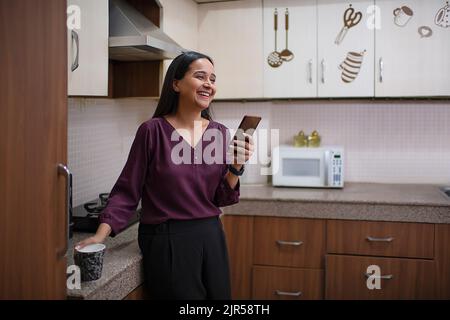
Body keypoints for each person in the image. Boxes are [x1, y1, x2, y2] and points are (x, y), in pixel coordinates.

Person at [76, 51, 255, 300]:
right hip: (166, 240)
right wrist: (99, 236)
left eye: (213, 79)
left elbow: (222, 198)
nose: (209, 84)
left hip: (211, 235)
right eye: (200, 76)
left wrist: (236, 166)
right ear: (176, 83)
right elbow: (128, 190)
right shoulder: (152, 131)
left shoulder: (220, 133)